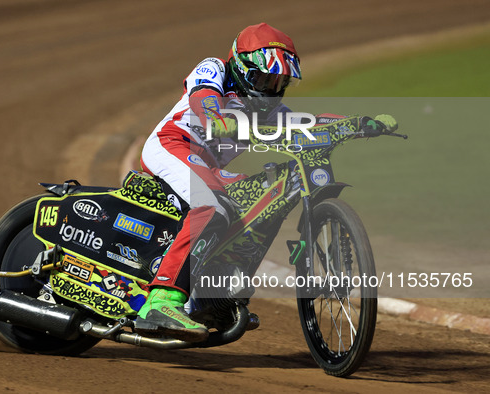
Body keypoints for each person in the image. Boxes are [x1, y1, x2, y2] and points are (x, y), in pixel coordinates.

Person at [134, 23, 396, 342]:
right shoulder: (214, 68)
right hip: (173, 145)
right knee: (212, 206)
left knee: (252, 203)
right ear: (243, 68)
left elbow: (309, 124)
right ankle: (161, 301)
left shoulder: (273, 111)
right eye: (264, 78)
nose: (270, 88)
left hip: (208, 165)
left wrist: (356, 124)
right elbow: (206, 105)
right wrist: (220, 118)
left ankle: (208, 297)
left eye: (278, 81)